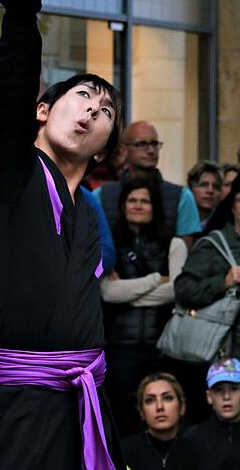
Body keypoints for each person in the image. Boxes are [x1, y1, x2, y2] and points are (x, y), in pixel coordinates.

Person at [0, 0, 126, 470]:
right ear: (43, 110)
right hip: (21, 409)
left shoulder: (87, 211)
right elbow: (10, 93)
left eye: (106, 110)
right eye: (83, 96)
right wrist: (21, 18)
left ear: (103, 149)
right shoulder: (13, 172)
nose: (93, 111)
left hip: (82, 403)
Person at [100, 176, 188, 435]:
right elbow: (108, 292)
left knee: (163, 421)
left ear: (155, 207)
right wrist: (153, 280)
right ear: (122, 205)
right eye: (132, 200)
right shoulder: (109, 246)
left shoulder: (174, 243)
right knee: (124, 422)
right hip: (120, 348)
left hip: (162, 347)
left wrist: (129, 291)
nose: (137, 206)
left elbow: (175, 291)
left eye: (144, 201)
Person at [176, 170, 240, 360]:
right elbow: (183, 290)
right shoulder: (214, 245)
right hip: (226, 356)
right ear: (232, 205)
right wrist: (223, 282)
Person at [94, 121, 200, 241]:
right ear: (123, 149)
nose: (150, 150)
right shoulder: (101, 195)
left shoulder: (182, 197)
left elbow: (184, 252)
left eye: (154, 144)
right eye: (142, 144)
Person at [120, 373, 237, 470]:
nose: (159, 406)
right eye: (150, 400)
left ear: (182, 407)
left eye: (167, 398)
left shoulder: (202, 450)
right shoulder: (123, 452)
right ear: (141, 412)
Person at [186, 160, 222, 227]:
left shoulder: (225, 226)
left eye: (216, 186)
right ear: (190, 188)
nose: (210, 190)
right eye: (203, 185)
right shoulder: (179, 221)